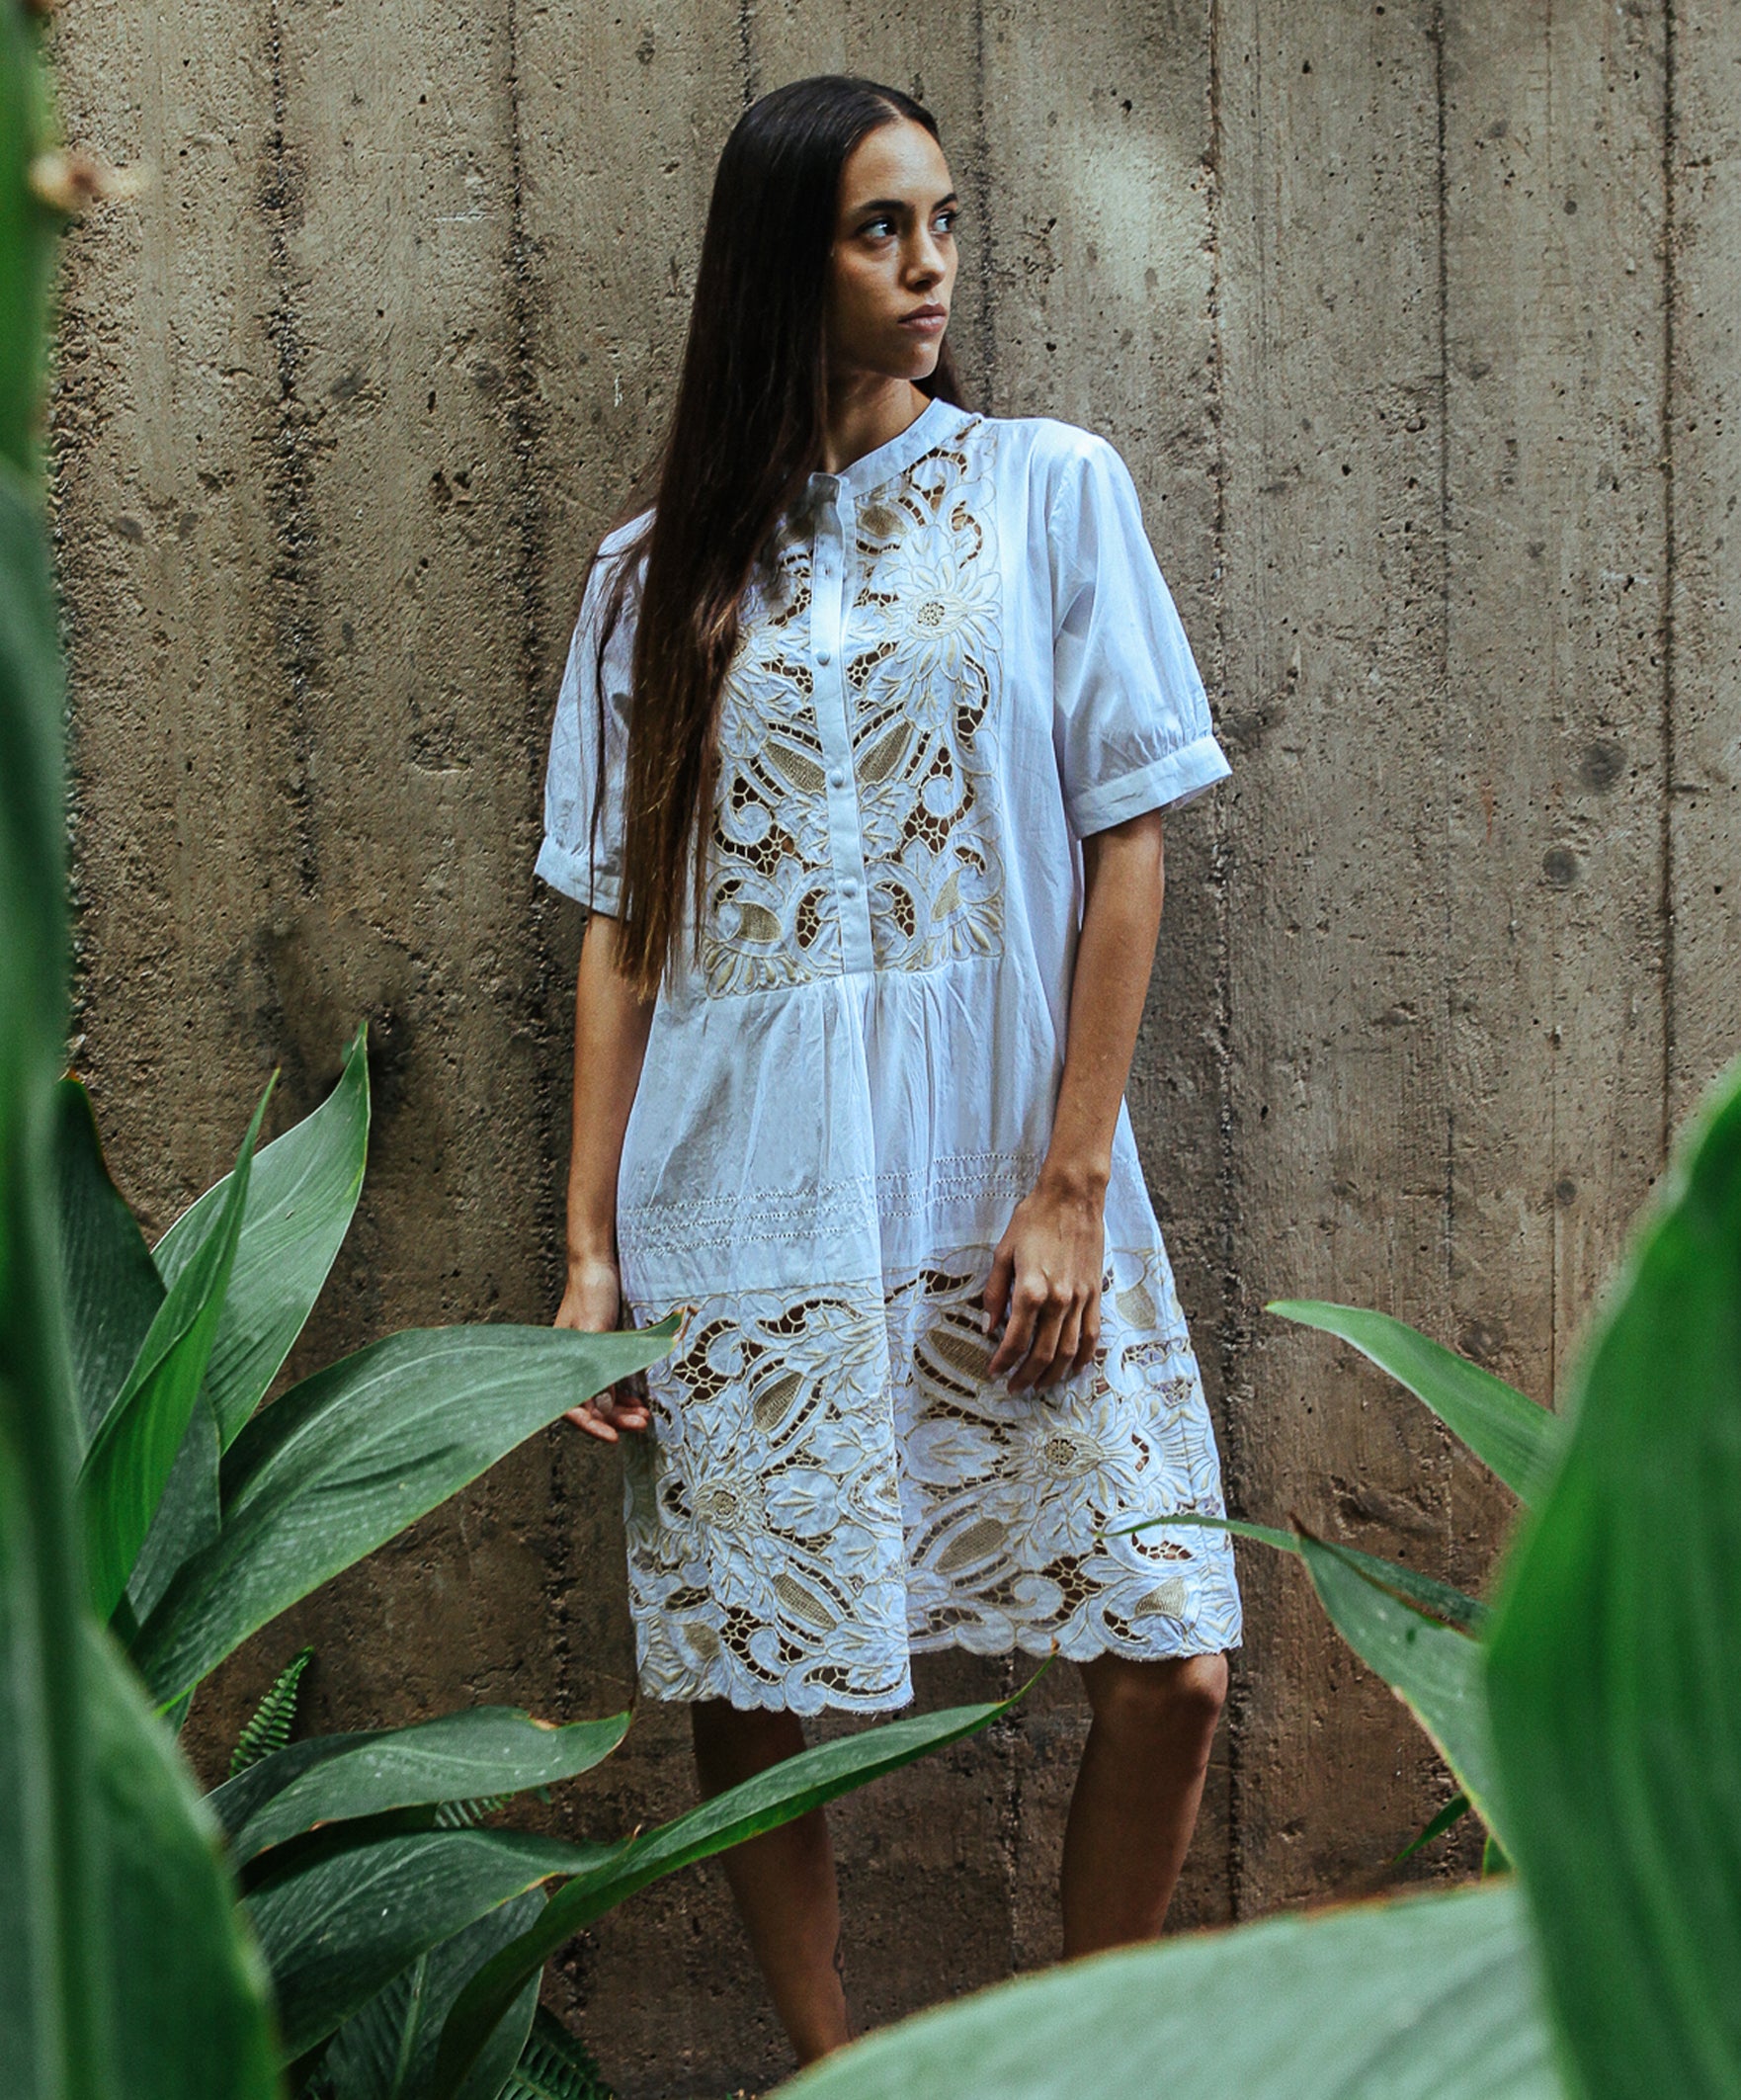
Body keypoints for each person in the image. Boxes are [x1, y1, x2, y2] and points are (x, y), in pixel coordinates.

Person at [538, 73, 1241, 2069]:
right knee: (759, 1663)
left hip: (998, 1169)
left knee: (1169, 1662)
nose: (927, 263)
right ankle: (840, 2063)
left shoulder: (1044, 489)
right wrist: (588, 1257)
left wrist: (1071, 1180)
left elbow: (1127, 837)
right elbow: (620, 925)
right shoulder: (649, 575)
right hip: (740, 1184)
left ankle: (1069, 2057)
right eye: (876, 228)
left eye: (938, 219)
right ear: (784, 258)